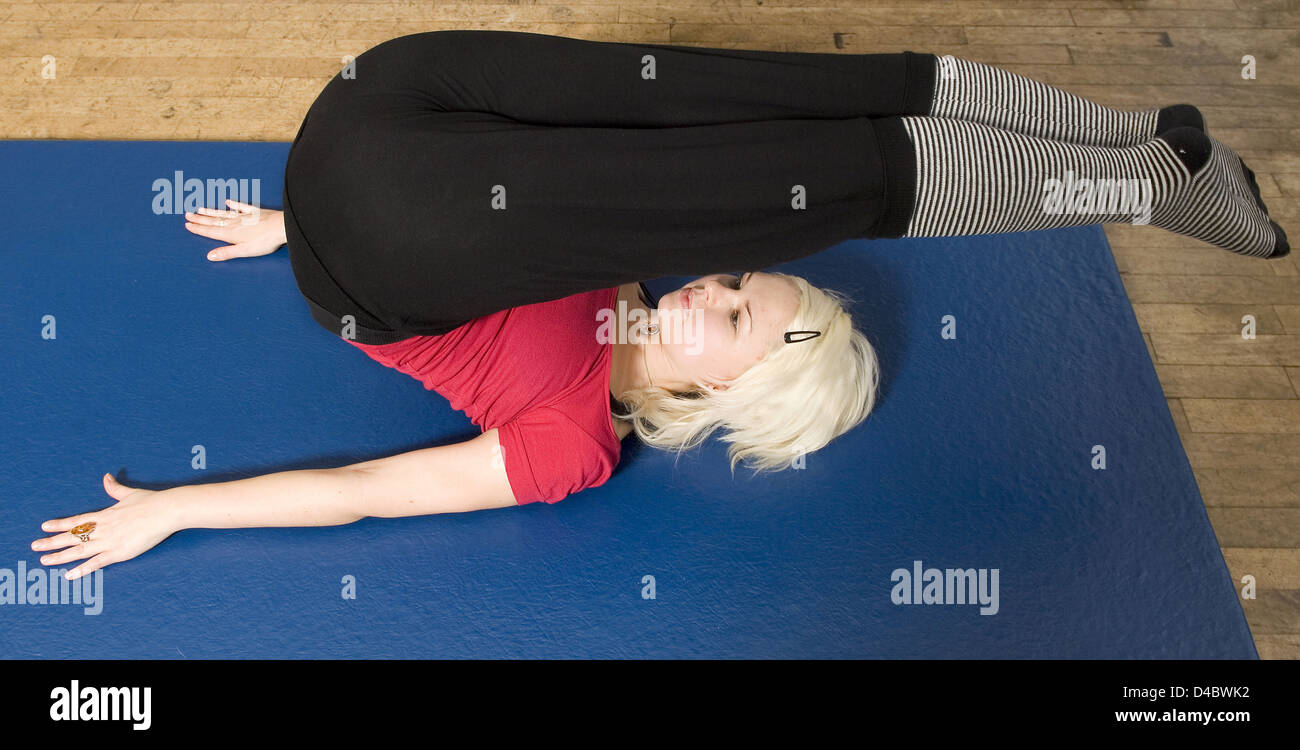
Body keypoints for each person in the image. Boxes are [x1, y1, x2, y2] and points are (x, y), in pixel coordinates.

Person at [33, 30, 1287, 581]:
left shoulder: (566, 444)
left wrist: (183, 513)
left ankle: (1137, 183)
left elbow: (369, 489)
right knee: (776, 108)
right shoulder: (630, 261)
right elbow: (519, 176)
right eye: (739, 281)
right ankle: (1144, 141)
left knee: (787, 173)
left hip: (370, 261)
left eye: (732, 313)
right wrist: (290, 209)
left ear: (713, 396)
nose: (715, 282)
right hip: (380, 106)